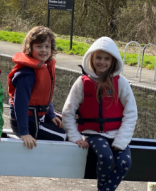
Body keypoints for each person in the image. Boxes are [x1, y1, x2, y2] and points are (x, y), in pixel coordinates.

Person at [62, 36, 137, 191]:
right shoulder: (82, 82)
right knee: (105, 156)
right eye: (99, 58)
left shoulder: (121, 82)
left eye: (107, 59)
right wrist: (75, 137)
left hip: (117, 133)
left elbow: (131, 113)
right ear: (92, 58)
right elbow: (68, 112)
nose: (102, 62)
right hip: (92, 133)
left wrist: (121, 140)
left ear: (113, 61)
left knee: (125, 163)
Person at [8, 26, 66, 150]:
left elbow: (45, 96)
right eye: (39, 46)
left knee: (69, 125)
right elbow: (20, 105)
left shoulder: (44, 68)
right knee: (63, 136)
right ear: (30, 48)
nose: (43, 50)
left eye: (47, 46)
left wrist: (51, 115)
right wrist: (24, 133)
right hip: (26, 124)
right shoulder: (26, 75)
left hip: (39, 117)